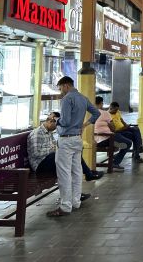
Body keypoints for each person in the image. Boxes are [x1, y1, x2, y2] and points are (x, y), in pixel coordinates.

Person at [47, 76, 100, 217]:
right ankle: (76, 202)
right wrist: (84, 125)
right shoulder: (83, 98)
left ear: (65, 86)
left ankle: (65, 206)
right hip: (77, 139)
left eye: (60, 88)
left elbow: (65, 121)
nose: (60, 92)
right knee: (76, 172)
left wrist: (55, 120)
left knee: (64, 173)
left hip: (66, 140)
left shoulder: (67, 99)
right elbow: (96, 113)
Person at [28, 112, 104, 181]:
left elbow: (55, 145)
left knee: (71, 155)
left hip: (50, 160)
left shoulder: (49, 132)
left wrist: (57, 148)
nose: (57, 128)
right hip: (40, 165)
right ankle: (88, 174)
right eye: (57, 125)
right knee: (67, 156)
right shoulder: (37, 133)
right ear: (50, 122)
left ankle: (86, 176)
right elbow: (36, 153)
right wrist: (54, 149)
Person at [94, 97, 132, 170]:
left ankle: (116, 144)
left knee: (123, 136)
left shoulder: (88, 113)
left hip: (95, 140)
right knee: (129, 143)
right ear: (101, 103)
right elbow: (113, 128)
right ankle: (115, 162)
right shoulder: (105, 113)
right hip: (108, 138)